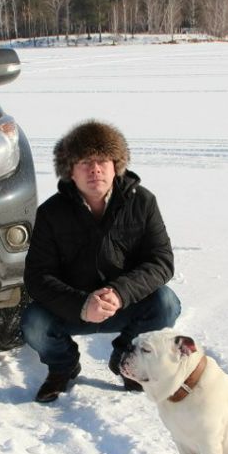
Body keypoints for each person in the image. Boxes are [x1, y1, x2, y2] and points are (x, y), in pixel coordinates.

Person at [22, 120, 181, 403]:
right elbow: (37, 276)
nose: (94, 169)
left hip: (124, 304)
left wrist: (120, 293)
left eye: (102, 161)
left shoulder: (142, 202)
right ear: (70, 170)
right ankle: (63, 366)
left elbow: (161, 261)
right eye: (84, 162)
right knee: (34, 321)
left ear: (115, 165)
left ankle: (124, 360)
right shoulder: (50, 213)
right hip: (73, 308)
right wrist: (82, 304)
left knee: (166, 303)